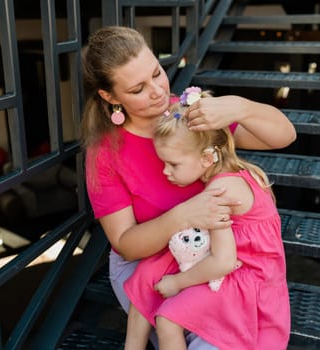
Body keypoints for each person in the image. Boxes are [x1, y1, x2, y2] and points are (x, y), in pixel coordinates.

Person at [81, 26, 296, 349]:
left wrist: (241, 107)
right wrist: (184, 215)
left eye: (157, 73)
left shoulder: (185, 114)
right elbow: (126, 244)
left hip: (212, 249)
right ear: (110, 97)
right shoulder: (105, 153)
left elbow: (284, 136)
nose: (156, 91)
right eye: (138, 88)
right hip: (148, 257)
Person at [123, 88, 290, 350]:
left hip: (247, 283)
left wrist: (177, 283)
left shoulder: (219, 192)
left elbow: (224, 261)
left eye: (173, 164)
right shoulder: (239, 173)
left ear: (207, 158)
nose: (165, 171)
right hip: (241, 268)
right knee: (148, 271)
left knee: (167, 319)